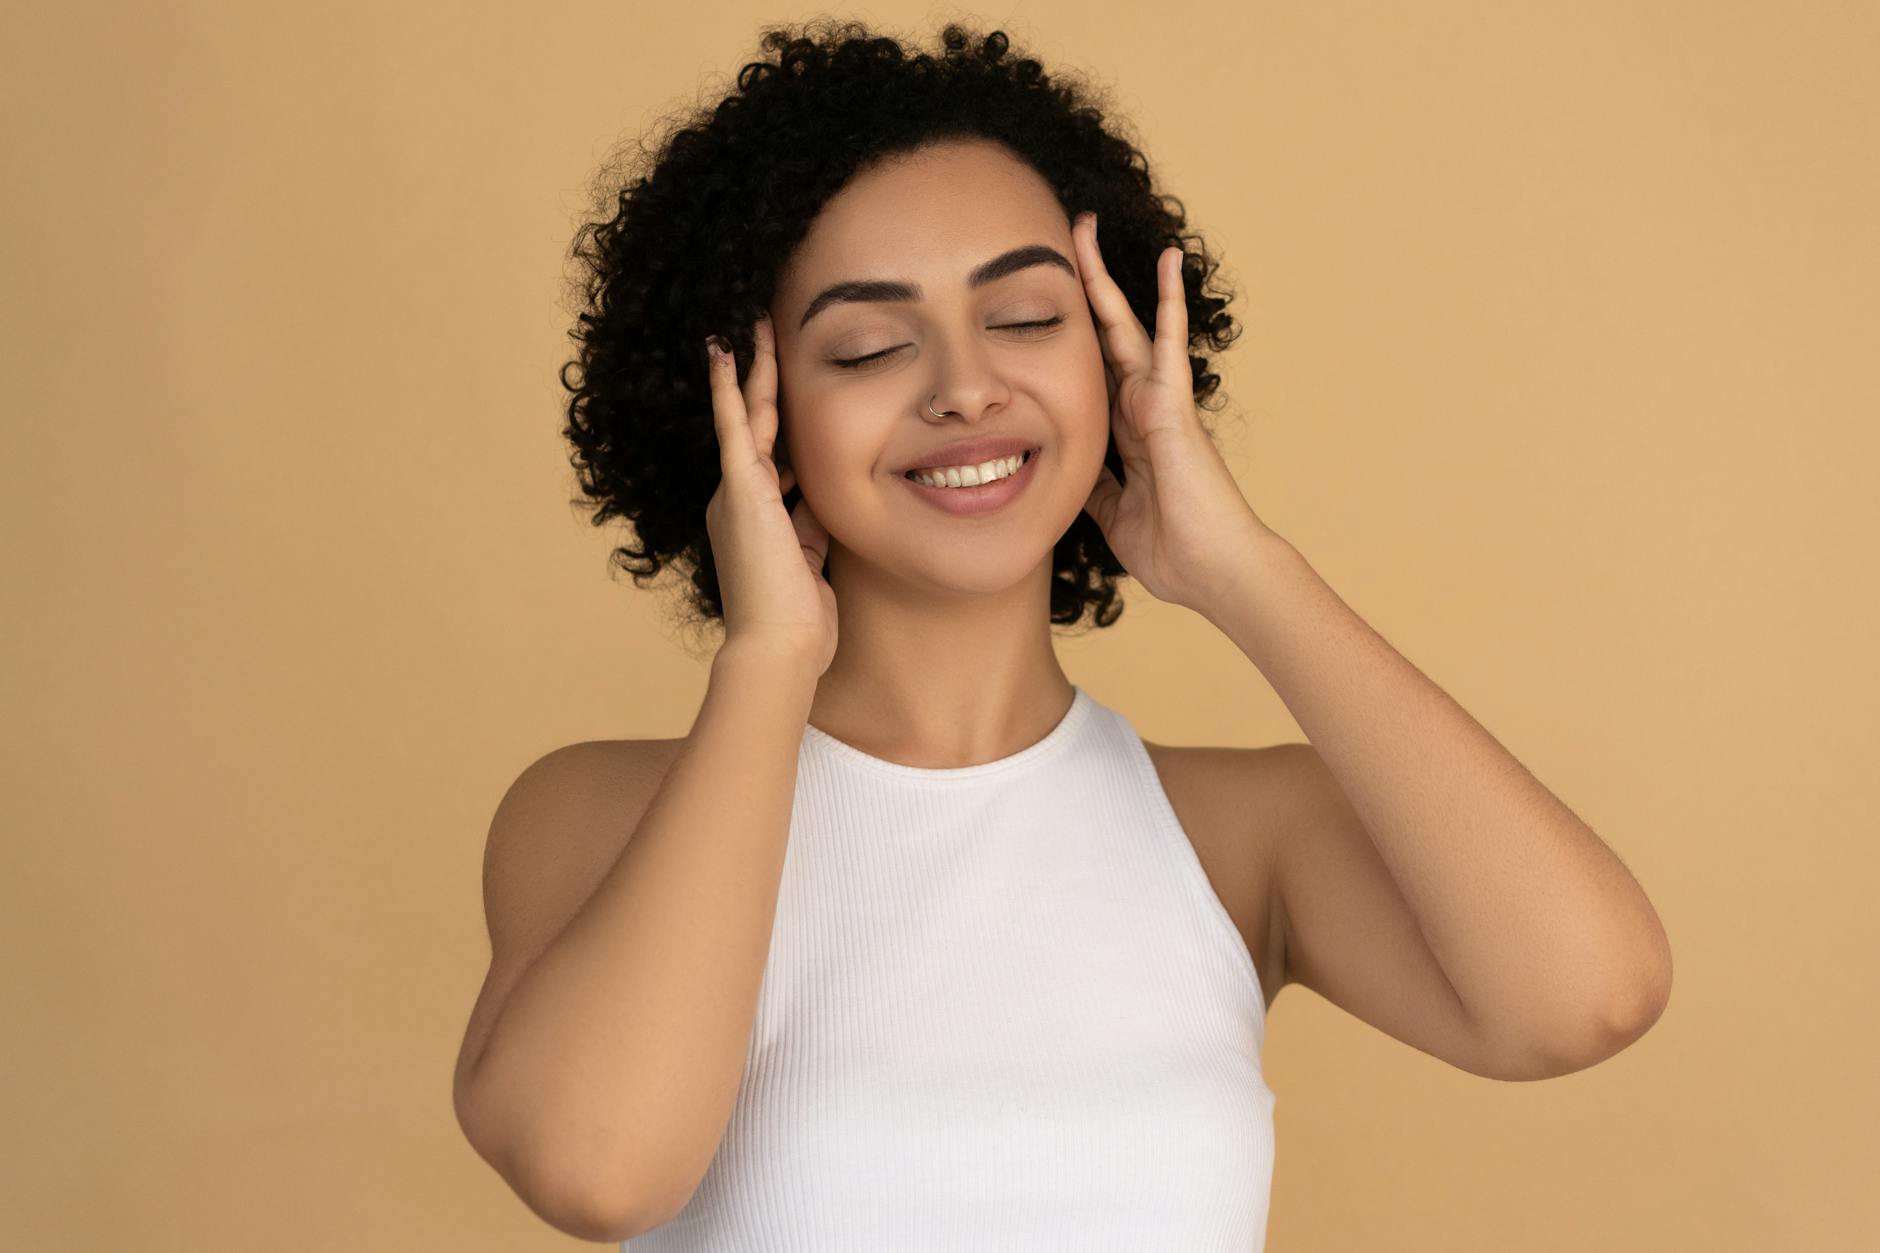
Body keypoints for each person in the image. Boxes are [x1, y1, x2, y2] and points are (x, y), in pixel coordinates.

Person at [452, 18, 1673, 1251]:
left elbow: (1586, 997)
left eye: (1027, 319)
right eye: (868, 344)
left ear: (1112, 363)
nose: (964, 385)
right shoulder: (595, 814)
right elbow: (597, 1169)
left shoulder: (1238, 838)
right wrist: (768, 658)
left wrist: (1239, 567)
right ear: (747, 414)